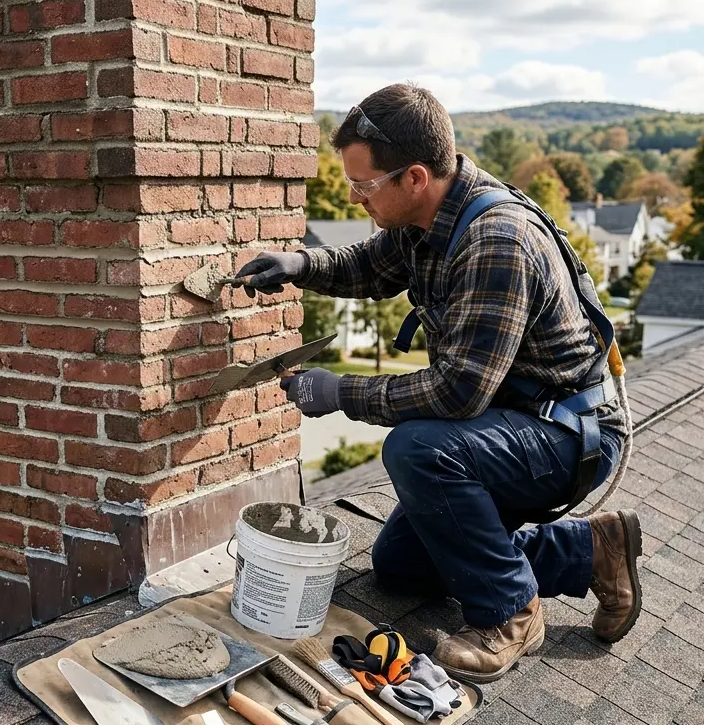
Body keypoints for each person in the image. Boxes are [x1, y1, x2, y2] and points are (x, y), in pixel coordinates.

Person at [232, 83, 640, 684]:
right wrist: (299, 265)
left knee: (416, 448)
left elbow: (457, 395)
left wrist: (339, 393)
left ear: (415, 177)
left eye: (364, 185)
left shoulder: (495, 240)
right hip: (509, 425)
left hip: (566, 435)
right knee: (398, 567)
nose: (353, 196)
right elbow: (368, 266)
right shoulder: (431, 218)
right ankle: (590, 552)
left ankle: (511, 615)